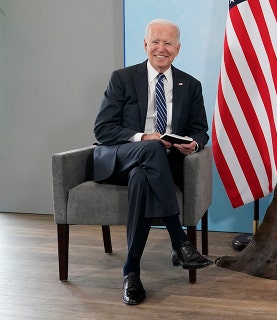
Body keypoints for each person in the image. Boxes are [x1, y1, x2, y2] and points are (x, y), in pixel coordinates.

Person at [93, 18, 213, 305]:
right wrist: (143, 137)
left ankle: (131, 271)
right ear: (145, 45)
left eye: (168, 43)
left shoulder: (191, 84)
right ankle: (179, 241)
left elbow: (200, 129)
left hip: (156, 167)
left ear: (178, 48)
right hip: (120, 157)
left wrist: (193, 143)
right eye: (156, 42)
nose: (162, 48)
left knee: (142, 177)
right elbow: (103, 129)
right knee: (152, 148)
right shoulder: (122, 78)